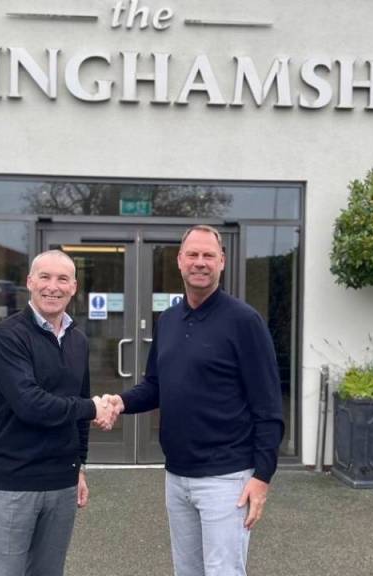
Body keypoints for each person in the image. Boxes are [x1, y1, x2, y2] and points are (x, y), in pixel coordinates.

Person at [102, 225, 284, 576]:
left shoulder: (244, 321)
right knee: (186, 571)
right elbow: (155, 385)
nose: (200, 262)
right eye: (193, 255)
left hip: (227, 477)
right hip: (177, 475)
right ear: (179, 260)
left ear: (222, 262)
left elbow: (269, 406)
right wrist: (120, 402)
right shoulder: (169, 320)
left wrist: (262, 476)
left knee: (223, 571)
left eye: (208, 256)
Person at [0, 249, 113, 576]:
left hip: (62, 484)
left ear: (74, 287)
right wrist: (93, 407)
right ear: (30, 282)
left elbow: (78, 408)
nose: (53, 286)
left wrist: (79, 467)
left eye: (62, 279)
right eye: (45, 277)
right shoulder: (8, 337)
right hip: (13, 483)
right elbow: (31, 404)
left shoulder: (77, 340)